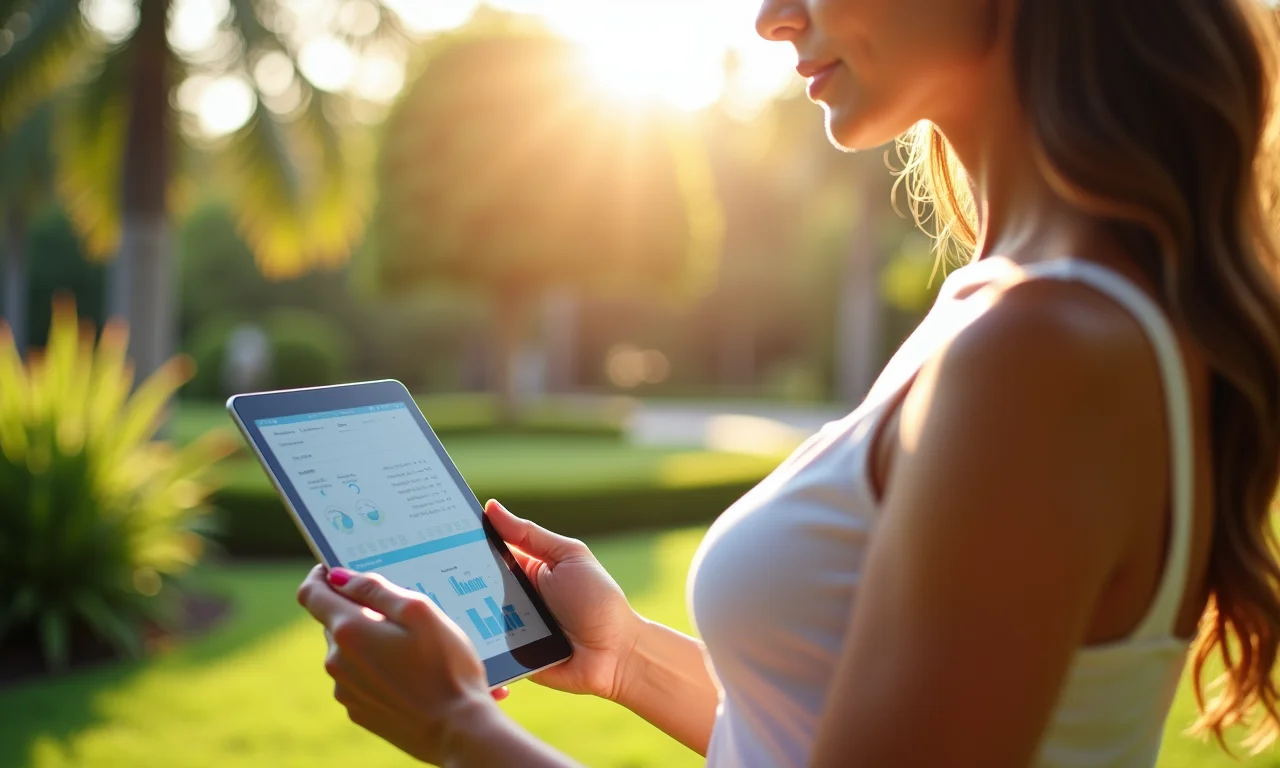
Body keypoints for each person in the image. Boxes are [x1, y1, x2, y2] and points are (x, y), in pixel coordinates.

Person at [296, 0, 1280, 764]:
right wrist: (628, 658)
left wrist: (458, 729)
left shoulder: (1041, 351)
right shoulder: (1011, 311)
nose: (769, 16)